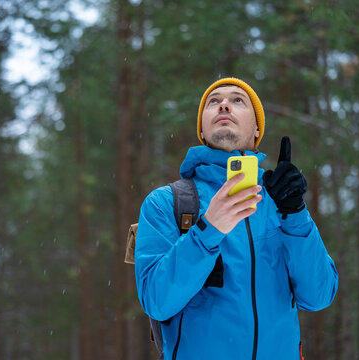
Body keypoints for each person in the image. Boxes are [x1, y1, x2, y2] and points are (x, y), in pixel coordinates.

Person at [134, 77, 338, 359]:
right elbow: (157, 301)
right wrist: (208, 230)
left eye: (237, 100)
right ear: (203, 132)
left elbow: (318, 295)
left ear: (256, 130)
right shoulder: (166, 203)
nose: (224, 105)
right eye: (213, 102)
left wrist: (296, 215)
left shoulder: (281, 203)